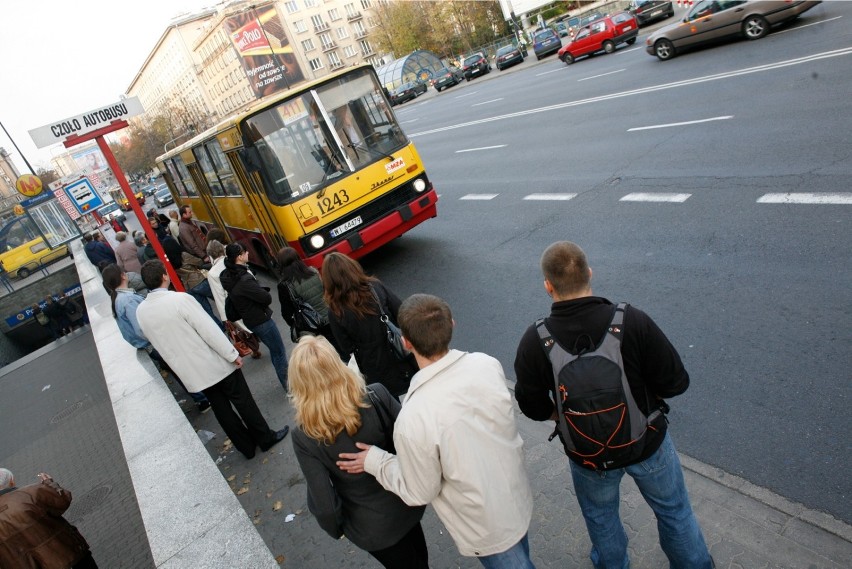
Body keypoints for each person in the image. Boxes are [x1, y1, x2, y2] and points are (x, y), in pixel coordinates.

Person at [513, 241, 713, 569]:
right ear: (589, 273)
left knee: (602, 520)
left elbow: (531, 405)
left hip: (588, 456)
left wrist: (558, 415)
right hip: (648, 443)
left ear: (548, 286)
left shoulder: (535, 340)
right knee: (674, 513)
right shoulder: (631, 320)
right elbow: (677, 382)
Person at [338, 294, 535, 568]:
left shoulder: (413, 418)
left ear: (406, 342)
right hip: (514, 494)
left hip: (484, 522)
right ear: (451, 325)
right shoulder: (486, 364)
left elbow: (420, 491)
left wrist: (376, 461)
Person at [289, 336, 428, 568]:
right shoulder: (376, 396)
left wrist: (338, 528)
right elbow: (414, 444)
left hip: (371, 528)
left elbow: (325, 505)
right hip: (408, 503)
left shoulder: (305, 436)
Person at [136, 260, 288, 459]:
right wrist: (231, 354)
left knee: (221, 410)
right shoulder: (180, 300)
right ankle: (264, 437)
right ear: (165, 276)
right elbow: (208, 331)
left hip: (192, 372)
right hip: (214, 363)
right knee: (243, 402)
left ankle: (246, 447)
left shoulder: (142, 312)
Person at [102, 264, 210, 413]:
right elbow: (140, 328)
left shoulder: (119, 299)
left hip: (148, 345)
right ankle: (202, 399)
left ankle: (201, 398)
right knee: (181, 369)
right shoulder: (127, 300)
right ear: (123, 276)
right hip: (154, 343)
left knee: (177, 370)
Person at [321, 252, 417, 398]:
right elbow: (401, 313)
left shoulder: (335, 311)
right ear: (352, 267)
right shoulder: (375, 287)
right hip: (399, 355)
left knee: (391, 403)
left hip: (374, 368)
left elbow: (346, 347)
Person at [220, 243, 289, 390]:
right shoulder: (243, 279)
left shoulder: (228, 275)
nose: (248, 254)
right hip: (261, 320)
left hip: (250, 319)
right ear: (239, 256)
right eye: (245, 252)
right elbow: (265, 298)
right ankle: (289, 385)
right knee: (279, 352)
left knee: (275, 351)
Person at [0, 467, 98, 568]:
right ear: (12, 482)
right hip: (67, 555)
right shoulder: (29, 493)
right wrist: (49, 484)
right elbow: (63, 500)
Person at [276, 247, 344, 358]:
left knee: (326, 356)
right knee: (341, 350)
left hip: (312, 326)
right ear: (298, 258)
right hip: (331, 317)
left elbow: (286, 313)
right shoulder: (313, 271)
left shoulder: (285, 285)